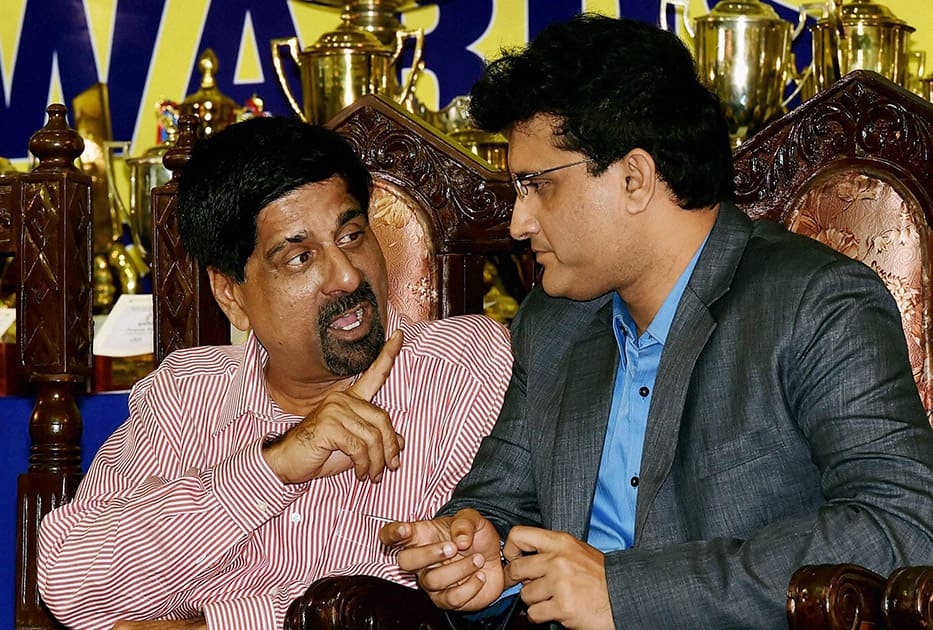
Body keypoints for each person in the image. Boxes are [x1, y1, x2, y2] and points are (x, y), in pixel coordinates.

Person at [381, 13, 933, 629]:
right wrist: (481, 553)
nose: (518, 222)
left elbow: (903, 524)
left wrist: (627, 592)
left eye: (538, 186)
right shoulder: (555, 320)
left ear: (635, 178)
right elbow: (498, 504)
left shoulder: (815, 304)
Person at [36, 117, 513, 629]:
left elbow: (449, 571)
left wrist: (216, 626)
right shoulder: (184, 395)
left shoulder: (462, 366)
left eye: (352, 235)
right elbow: (72, 584)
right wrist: (274, 467)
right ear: (231, 296)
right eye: (299, 257)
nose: (346, 275)